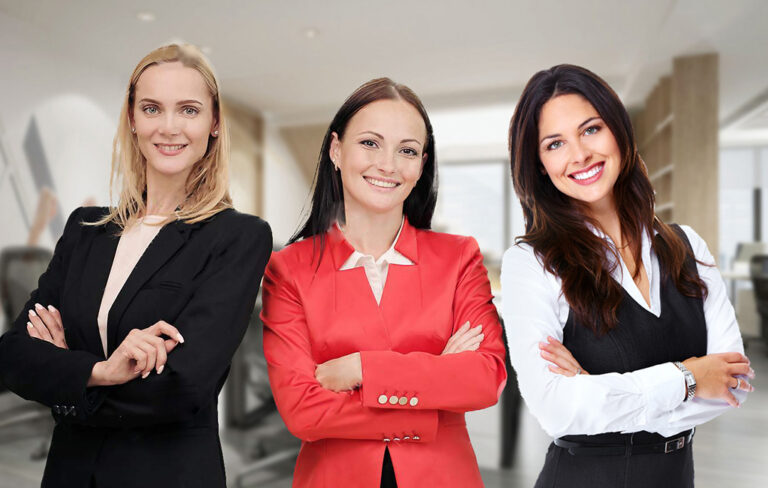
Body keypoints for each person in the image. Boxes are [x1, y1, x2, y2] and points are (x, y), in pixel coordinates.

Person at [0, 44, 272, 488]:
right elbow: (12, 354)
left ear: (214, 122)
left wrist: (67, 373)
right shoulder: (86, 227)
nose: (168, 127)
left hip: (166, 474)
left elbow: (184, 386)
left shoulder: (237, 236)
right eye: (151, 108)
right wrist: (102, 371)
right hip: (70, 472)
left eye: (188, 109)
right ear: (132, 119)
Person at [501, 64, 753, 488]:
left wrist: (598, 393)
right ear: (540, 164)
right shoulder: (531, 262)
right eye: (555, 143)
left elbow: (735, 384)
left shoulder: (688, 246)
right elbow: (556, 411)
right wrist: (690, 378)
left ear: (618, 131)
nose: (579, 154)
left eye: (591, 129)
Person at [260, 78, 507, 488]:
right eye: (370, 143)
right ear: (336, 150)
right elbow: (302, 410)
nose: (388, 165)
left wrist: (361, 369)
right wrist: (436, 384)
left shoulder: (459, 257)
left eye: (407, 150)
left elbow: (484, 377)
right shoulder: (289, 269)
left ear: (421, 165)